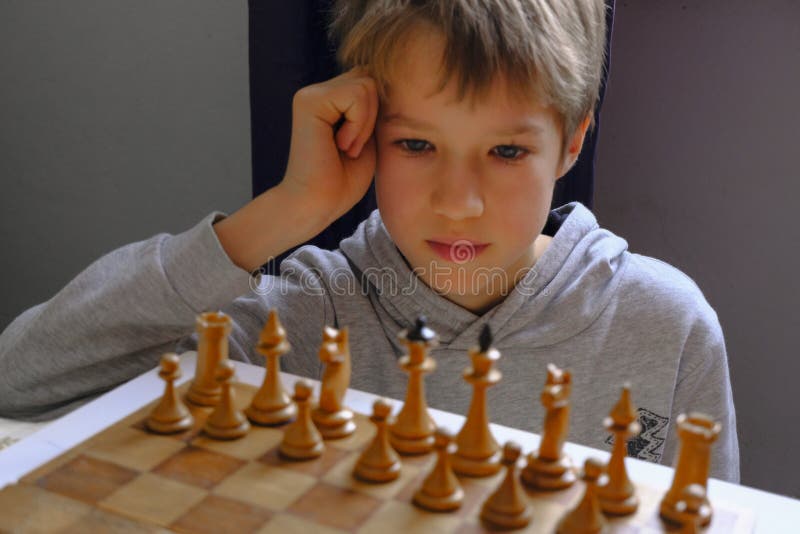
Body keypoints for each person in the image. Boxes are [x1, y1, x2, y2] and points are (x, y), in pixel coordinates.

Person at [0, 0, 739, 482]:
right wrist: (285, 211)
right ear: (362, 131)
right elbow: (26, 381)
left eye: (506, 152)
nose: (459, 202)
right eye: (416, 144)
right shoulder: (306, 314)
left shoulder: (666, 327)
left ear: (573, 141)